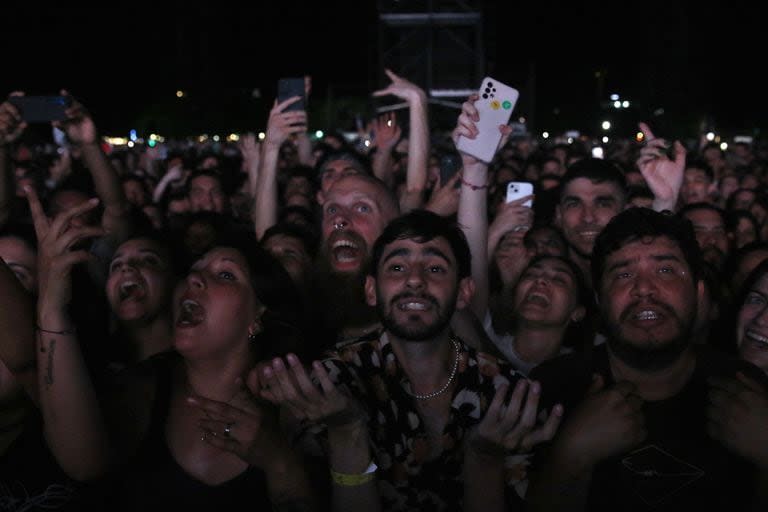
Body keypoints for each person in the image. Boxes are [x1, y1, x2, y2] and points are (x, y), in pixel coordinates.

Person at [25, 184, 316, 510]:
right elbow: (80, 461)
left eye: (225, 274)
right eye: (194, 271)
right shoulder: (145, 388)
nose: (195, 280)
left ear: (258, 317)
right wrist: (50, 306)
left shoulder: (298, 403)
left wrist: (278, 461)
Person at [259, 209, 562, 512]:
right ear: (371, 290)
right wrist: (346, 431)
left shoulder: (505, 394)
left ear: (463, 292)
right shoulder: (329, 384)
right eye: (397, 267)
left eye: (435, 269)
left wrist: (484, 459)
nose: (415, 280)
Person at [526, 207, 768, 511]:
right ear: (600, 300)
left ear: (698, 290)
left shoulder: (749, 391)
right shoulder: (547, 391)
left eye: (665, 270)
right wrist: (570, 456)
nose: (643, 289)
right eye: (623, 274)